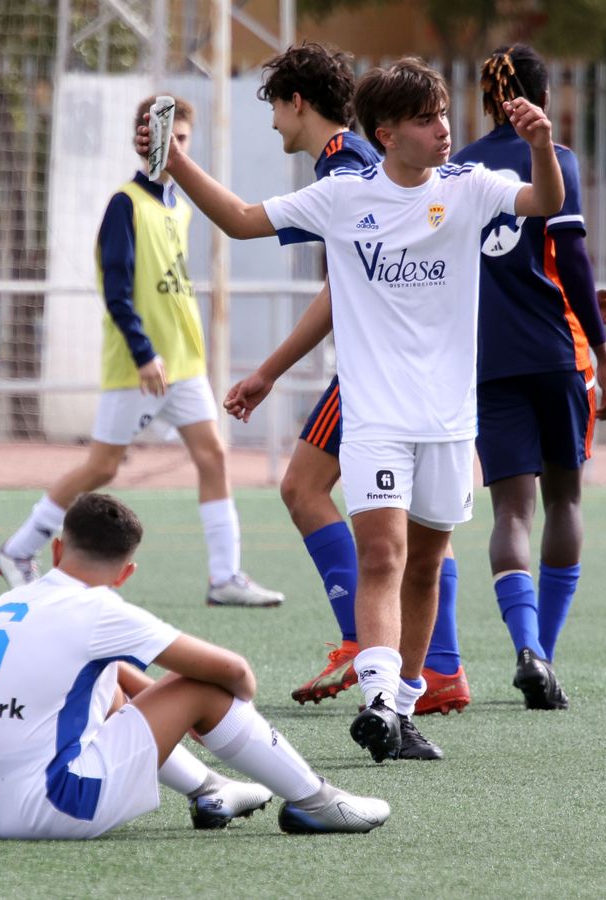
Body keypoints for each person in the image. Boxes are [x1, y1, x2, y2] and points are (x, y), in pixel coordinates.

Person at [141, 58, 564, 763]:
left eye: (442, 114)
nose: (443, 129)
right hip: (375, 419)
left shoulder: (469, 187)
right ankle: (377, 699)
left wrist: (542, 145)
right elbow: (242, 221)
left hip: (450, 421)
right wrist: (176, 161)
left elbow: (544, 202)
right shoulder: (343, 195)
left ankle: (403, 709)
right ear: (386, 134)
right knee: (383, 555)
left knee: (426, 566)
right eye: (426, 119)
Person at [221, 42, 470, 718]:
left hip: (382, 375)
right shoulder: (352, 162)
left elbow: (343, 292)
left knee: (311, 492)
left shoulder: (350, 165)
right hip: (393, 373)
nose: (274, 123)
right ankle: (435, 664)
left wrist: (268, 370)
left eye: (275, 107)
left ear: (296, 102)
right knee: (413, 528)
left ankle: (376, 646)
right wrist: (269, 372)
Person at [0, 492, 391, 838]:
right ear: (126, 573)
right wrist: (214, 710)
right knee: (203, 688)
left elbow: (103, 672)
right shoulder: (98, 609)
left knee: (104, 681)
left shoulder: (12, 601)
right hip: (51, 808)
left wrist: (162, 710)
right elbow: (236, 673)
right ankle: (317, 801)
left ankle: (211, 789)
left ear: (58, 550)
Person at [0, 96, 284, 609]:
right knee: (103, 467)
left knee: (214, 456)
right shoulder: (125, 203)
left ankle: (225, 576)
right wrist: (144, 352)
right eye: (167, 137)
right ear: (141, 140)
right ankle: (17, 550)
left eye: (183, 139)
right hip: (139, 365)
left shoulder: (181, 208)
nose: (175, 147)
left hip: (184, 365)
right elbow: (117, 288)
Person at [454, 45, 606, 711]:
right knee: (566, 501)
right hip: (556, 353)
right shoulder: (555, 158)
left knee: (510, 512)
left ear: (487, 101)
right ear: (542, 99)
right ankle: (543, 657)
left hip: (488, 361)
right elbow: (572, 257)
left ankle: (525, 643)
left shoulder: (457, 166)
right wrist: (603, 352)